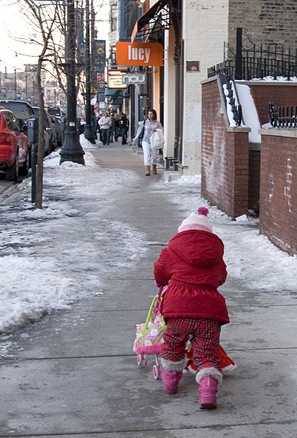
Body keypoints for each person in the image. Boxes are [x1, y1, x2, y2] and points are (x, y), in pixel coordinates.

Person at [153, 207, 229, 409]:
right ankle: (207, 392)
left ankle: (170, 385)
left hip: (178, 309)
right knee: (206, 352)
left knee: (173, 345)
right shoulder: (216, 256)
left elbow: (160, 272)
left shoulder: (170, 251)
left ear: (183, 232)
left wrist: (163, 282)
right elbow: (220, 277)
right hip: (209, 311)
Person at [142, 109, 163, 176]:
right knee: (146, 155)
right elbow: (140, 130)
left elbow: (162, 130)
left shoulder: (157, 123)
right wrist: (135, 139)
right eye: (149, 114)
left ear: (154, 115)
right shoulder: (145, 122)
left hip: (154, 141)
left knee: (154, 156)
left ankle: (154, 167)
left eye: (151, 114)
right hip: (146, 140)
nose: (149, 115)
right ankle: (147, 170)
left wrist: (156, 130)